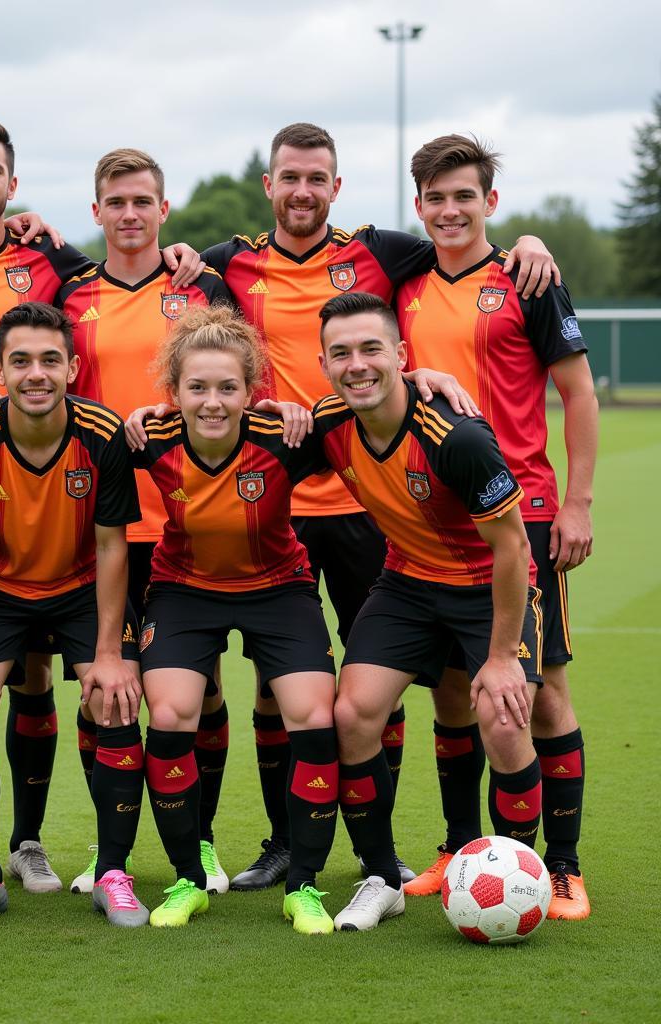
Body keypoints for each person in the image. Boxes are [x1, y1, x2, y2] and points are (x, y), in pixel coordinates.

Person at [196, 123, 557, 890]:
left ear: (336, 186)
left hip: (377, 510)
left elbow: (465, 242)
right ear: (270, 186)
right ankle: (290, 845)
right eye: (289, 178)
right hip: (294, 489)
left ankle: (454, 861)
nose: (302, 190)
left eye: (316, 178)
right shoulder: (229, 263)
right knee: (283, 684)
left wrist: (527, 239)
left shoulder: (385, 252)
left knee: (421, 698)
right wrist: (175, 254)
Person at [0, 116, 202, 893]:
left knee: (152, 689)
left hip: (93, 504)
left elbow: (135, 279)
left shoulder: (53, 265)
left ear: (14, 185)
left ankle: (46, 844)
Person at [395, 134, 596, 920]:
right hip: (431, 521)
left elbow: (578, 393)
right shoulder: (402, 280)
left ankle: (563, 866)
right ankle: (458, 846)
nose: (450, 210)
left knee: (541, 693)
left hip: (527, 513)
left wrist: (577, 504)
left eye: (464, 196)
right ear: (419, 207)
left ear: (490, 203)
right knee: (452, 691)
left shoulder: (527, 277)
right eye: (436, 198)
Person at [305, 292, 544, 933]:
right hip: (407, 584)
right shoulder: (329, 425)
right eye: (341, 353)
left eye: (371, 349)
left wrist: (499, 659)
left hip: (484, 586)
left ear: (402, 357)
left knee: (500, 715)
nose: (357, 365)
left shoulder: (456, 437)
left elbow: (514, 547)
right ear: (324, 364)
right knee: (352, 713)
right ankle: (380, 876)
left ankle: (522, 874)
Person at [0, 301, 147, 928]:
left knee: (114, 698)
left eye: (51, 360)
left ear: (73, 367)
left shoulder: (101, 433)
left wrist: (109, 652)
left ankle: (112, 872)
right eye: (20, 361)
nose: (36, 374)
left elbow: (112, 546)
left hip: (80, 588)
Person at [57, 148, 235, 894]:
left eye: (143, 202)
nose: (129, 214)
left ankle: (202, 844)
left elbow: (236, 381)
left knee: (202, 692)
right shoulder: (69, 293)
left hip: (189, 520)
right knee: (105, 691)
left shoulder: (202, 286)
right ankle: (110, 853)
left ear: (164, 210)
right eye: (115, 202)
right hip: (98, 522)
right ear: (95, 212)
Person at [132, 305, 340, 934]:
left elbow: (376, 402)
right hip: (182, 588)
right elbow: (68, 430)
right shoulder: (151, 440)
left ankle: (303, 886)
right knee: (170, 715)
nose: (213, 402)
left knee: (314, 717)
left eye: (228, 387)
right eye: (197, 387)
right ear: (174, 393)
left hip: (278, 588)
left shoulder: (286, 440)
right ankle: (189, 879)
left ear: (254, 392)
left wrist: (434, 378)